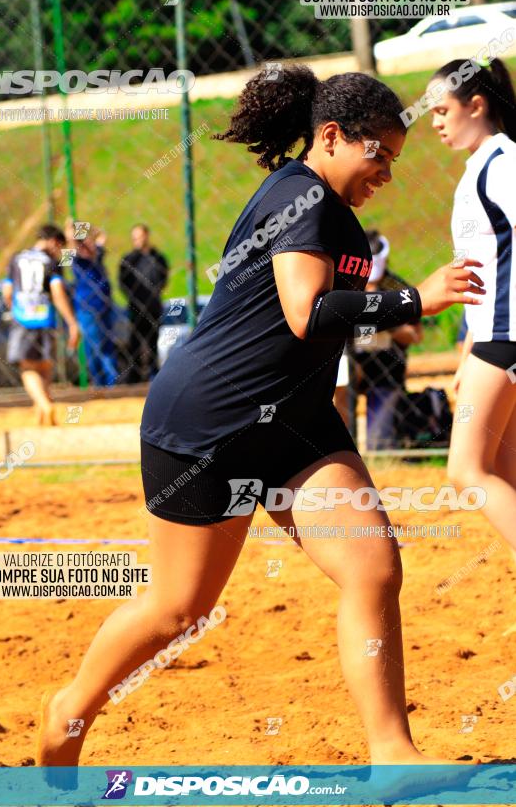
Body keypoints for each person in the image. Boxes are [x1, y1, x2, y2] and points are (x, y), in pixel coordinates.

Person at [37, 67, 484, 770]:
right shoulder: (299, 197)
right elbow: (305, 312)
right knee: (178, 611)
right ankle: (68, 709)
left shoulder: (334, 213)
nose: (387, 174)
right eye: (381, 157)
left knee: (371, 568)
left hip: (295, 426)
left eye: (396, 160)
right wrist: (410, 302)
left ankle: (392, 754)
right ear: (332, 136)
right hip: (209, 426)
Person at [428, 56, 516, 563]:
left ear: (476, 105)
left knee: (466, 470)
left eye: (442, 110)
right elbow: (477, 274)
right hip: (492, 337)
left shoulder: (502, 165)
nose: (435, 122)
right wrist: (465, 354)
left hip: (506, 337)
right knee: (503, 472)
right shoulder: (481, 167)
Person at [351, 230, 423, 449]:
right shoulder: (346, 282)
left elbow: (416, 335)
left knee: (378, 445)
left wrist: (387, 325)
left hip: (387, 369)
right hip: (351, 364)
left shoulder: (398, 288)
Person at [3, 225, 79, 425]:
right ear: (54, 241)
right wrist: (71, 322)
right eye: (60, 247)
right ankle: (43, 407)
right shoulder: (52, 263)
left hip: (23, 320)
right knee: (45, 366)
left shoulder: (16, 258)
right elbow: (57, 293)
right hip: (45, 319)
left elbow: (7, 292)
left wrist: (16, 307)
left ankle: (44, 405)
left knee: (28, 368)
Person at [64, 219, 120, 388]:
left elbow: (102, 236)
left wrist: (89, 229)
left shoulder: (97, 254)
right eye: (84, 239)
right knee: (95, 347)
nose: (89, 242)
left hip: (105, 306)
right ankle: (100, 383)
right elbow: (70, 244)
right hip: (87, 308)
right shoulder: (74, 258)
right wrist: (70, 229)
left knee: (107, 345)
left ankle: (111, 383)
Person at [118, 224, 168, 383]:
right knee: (135, 342)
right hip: (135, 307)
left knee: (154, 340)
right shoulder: (128, 260)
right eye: (135, 237)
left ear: (147, 236)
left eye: (140, 236)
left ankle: (154, 374)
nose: (138, 240)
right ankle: (135, 376)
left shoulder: (158, 257)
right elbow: (123, 283)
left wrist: (153, 295)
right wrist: (134, 298)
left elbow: (163, 279)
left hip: (153, 307)